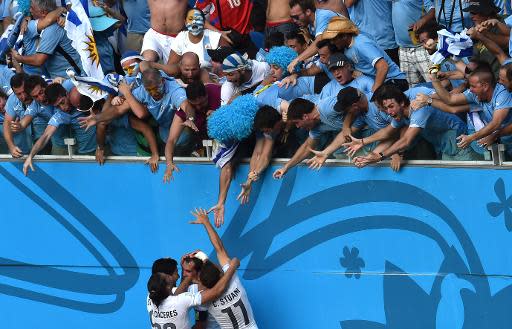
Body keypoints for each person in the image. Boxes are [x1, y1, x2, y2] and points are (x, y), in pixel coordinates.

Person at [352, 85, 484, 168]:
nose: (388, 112)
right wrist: (363, 142)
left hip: (460, 145)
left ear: (402, 103)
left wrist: (380, 156)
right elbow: (387, 132)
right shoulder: (399, 110)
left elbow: (406, 140)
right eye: (385, 109)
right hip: (442, 147)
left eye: (390, 107)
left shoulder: (419, 107)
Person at [190, 208, 259, 329]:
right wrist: (206, 222)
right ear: (220, 274)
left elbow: (199, 320)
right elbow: (219, 248)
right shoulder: (232, 280)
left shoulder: (205, 299)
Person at [23, 83, 97, 175]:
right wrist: (30, 156)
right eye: (57, 106)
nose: (63, 108)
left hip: (101, 148)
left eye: (62, 102)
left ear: (67, 93)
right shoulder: (60, 115)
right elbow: (45, 136)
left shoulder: (76, 89)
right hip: (84, 153)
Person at [147, 255, 240, 329]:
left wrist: (187, 275)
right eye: (176, 272)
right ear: (167, 285)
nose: (179, 276)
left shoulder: (152, 295)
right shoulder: (183, 299)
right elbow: (216, 291)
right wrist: (232, 267)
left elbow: (177, 292)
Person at [320, 17, 408, 92]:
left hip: (394, 81)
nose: (332, 42)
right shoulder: (346, 47)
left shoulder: (361, 44)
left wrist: (374, 92)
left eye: (334, 38)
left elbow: (383, 66)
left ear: (344, 36)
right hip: (379, 82)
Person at [163, 80, 221, 183]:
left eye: (202, 103)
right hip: (203, 144)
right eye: (195, 105)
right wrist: (169, 164)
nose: (199, 107)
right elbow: (171, 140)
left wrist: (219, 114)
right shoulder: (184, 110)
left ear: (207, 95)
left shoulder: (218, 91)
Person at [14, 0, 83, 78]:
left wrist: (19, 58)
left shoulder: (53, 28)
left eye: (32, 8)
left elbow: (39, 60)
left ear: (43, 12)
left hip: (74, 77)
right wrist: (60, 9)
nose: (30, 10)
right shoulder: (29, 25)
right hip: (54, 77)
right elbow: (48, 20)